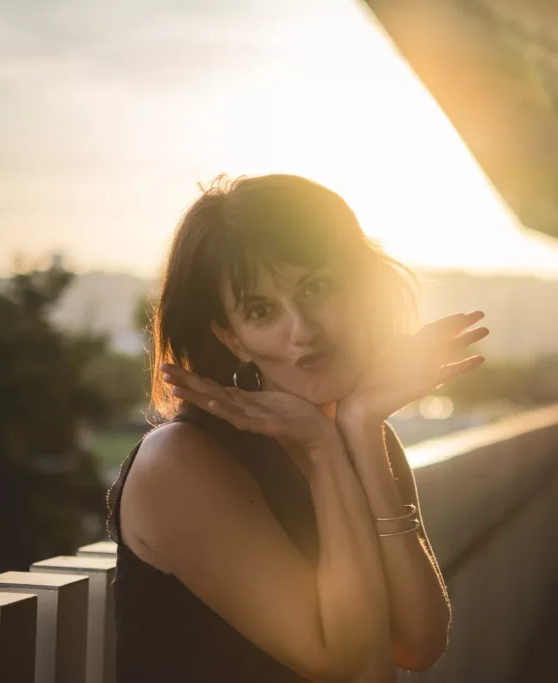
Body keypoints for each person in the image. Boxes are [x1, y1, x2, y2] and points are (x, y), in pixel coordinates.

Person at [106, 173, 489, 682]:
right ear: (233, 337)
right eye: (262, 311)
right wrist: (325, 448)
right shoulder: (178, 462)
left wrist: (357, 429)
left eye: (317, 287)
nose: (304, 330)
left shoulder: (360, 430)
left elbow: (418, 642)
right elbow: (354, 670)